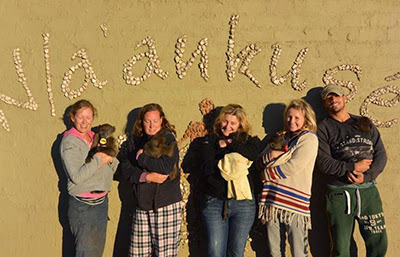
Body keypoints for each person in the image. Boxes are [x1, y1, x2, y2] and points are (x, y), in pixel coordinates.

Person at [317, 85, 388, 257]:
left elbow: (381, 154)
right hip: (340, 194)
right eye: (329, 98)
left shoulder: (363, 123)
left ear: (345, 97)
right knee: (341, 247)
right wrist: (351, 168)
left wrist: (366, 176)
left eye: (336, 95)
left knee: (378, 241)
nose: (333, 100)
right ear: (325, 103)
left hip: (368, 191)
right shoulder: (323, 128)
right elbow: (323, 162)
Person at [117, 103, 182, 257]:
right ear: (141, 122)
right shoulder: (134, 141)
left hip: (165, 205)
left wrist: (141, 158)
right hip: (142, 205)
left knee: (165, 254)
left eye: (155, 121)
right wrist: (146, 176)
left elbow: (165, 167)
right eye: (147, 121)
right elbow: (125, 169)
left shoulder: (167, 139)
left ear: (161, 121)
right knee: (137, 254)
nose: (151, 125)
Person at [197, 104, 261, 257]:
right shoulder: (210, 140)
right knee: (215, 251)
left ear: (240, 124)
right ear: (220, 122)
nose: (228, 126)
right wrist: (227, 160)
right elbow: (207, 167)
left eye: (233, 123)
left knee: (236, 252)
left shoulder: (249, 141)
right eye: (225, 121)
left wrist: (230, 143)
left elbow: (253, 155)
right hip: (215, 202)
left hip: (244, 204)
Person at [257, 99, 318, 257]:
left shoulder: (309, 139)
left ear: (306, 119)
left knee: (298, 251)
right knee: (274, 250)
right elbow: (260, 160)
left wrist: (268, 173)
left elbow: (294, 165)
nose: (292, 121)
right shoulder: (280, 138)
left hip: (295, 203)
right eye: (289, 117)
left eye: (297, 118)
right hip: (272, 200)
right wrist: (274, 154)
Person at [60, 99, 119, 257]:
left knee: (95, 253)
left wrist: (110, 158)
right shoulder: (70, 143)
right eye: (80, 117)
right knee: (87, 253)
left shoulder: (96, 138)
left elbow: (115, 165)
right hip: (84, 207)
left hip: (101, 203)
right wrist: (100, 159)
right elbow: (77, 177)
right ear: (72, 117)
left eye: (88, 117)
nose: (85, 122)